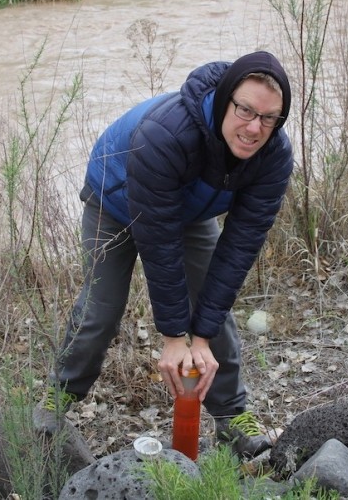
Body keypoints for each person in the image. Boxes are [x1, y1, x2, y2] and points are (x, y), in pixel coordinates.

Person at [35, 50, 294, 459]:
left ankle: (232, 417)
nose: (254, 127)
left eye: (268, 117)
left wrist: (201, 337)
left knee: (215, 307)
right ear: (227, 99)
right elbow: (158, 246)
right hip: (115, 200)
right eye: (245, 110)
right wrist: (174, 337)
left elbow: (239, 247)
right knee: (101, 309)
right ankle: (58, 398)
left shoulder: (274, 155)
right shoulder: (167, 134)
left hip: (188, 208)